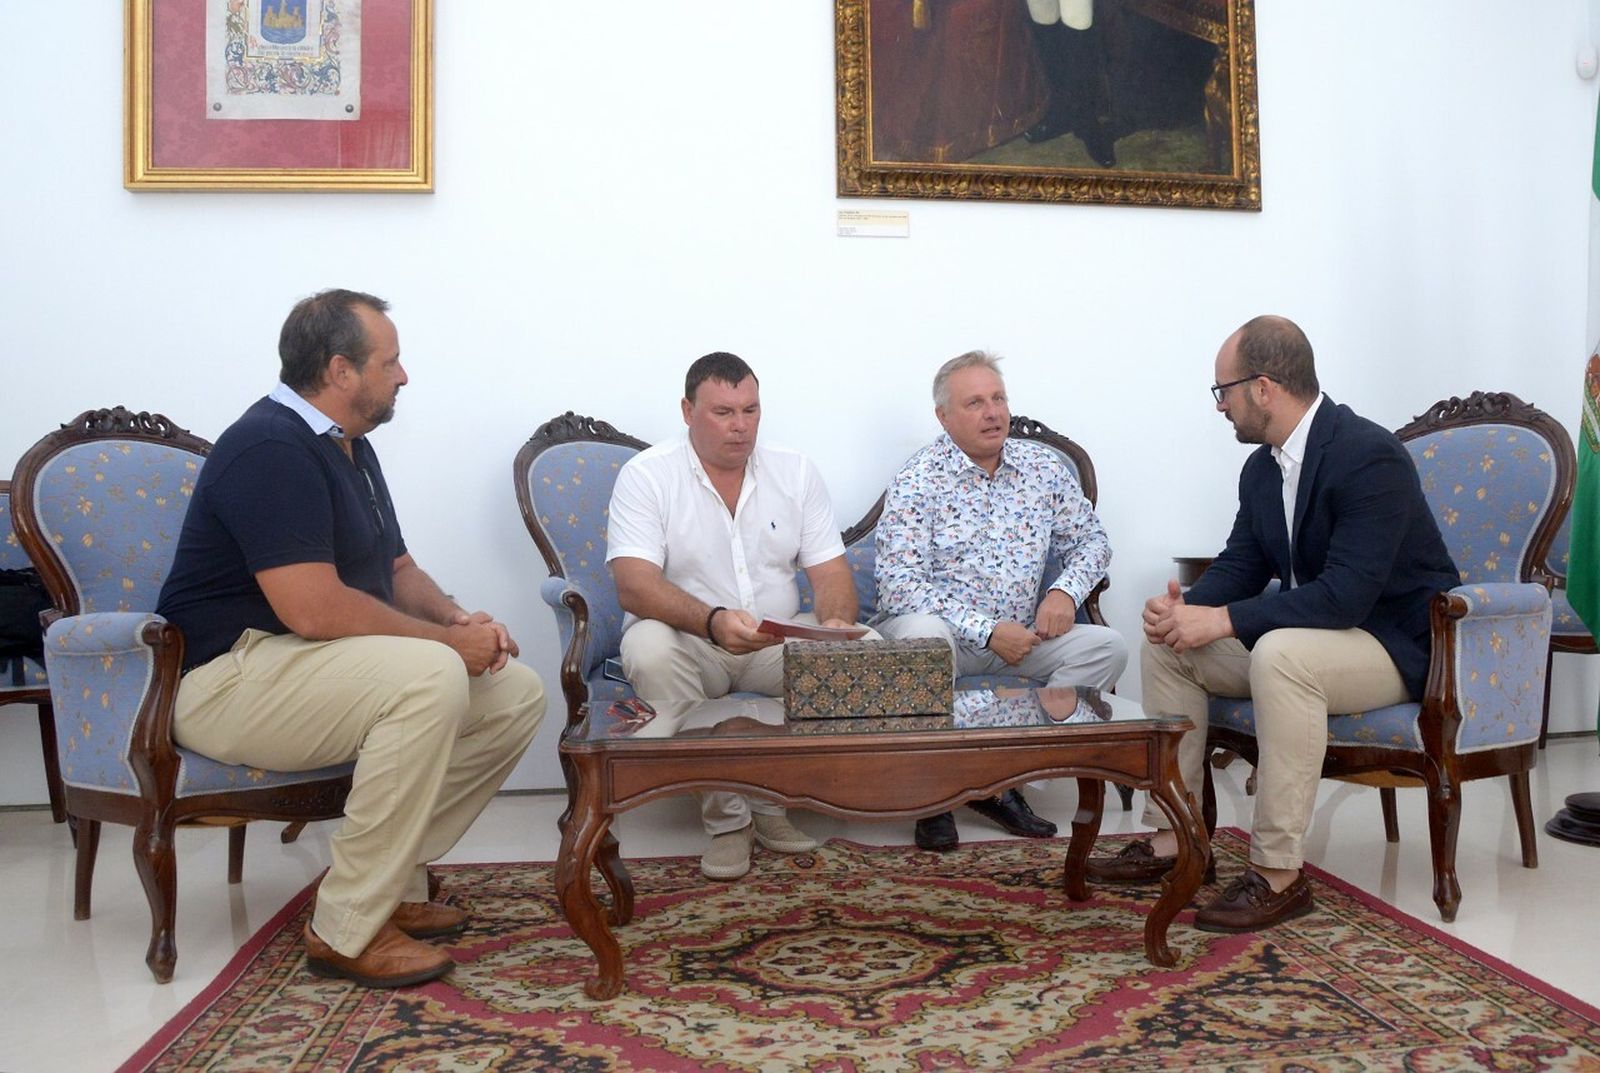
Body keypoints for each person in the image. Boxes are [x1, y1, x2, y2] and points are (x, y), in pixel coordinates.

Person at [156, 289, 546, 987]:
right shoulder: (267, 445)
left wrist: (458, 621)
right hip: (226, 677)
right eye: (390, 361)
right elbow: (312, 607)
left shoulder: (348, 446)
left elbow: (396, 568)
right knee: (430, 675)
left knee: (512, 690)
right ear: (340, 369)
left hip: (303, 666)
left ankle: (382, 884)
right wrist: (443, 650)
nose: (404, 375)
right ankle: (345, 930)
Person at [1089, 315, 1459, 933]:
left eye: (1223, 392)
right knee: (1169, 647)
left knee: (1280, 653)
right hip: (1324, 639)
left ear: (1263, 388)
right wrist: (1189, 610)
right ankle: (1176, 838)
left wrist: (1225, 620)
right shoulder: (1262, 468)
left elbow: (1345, 596)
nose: (1220, 407)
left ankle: (1279, 874)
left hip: (1393, 644)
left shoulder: (1369, 455)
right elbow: (1243, 561)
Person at [607, 352, 869, 881]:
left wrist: (836, 622)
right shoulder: (647, 475)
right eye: (723, 412)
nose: (740, 425)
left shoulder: (794, 470)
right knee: (648, 647)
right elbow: (633, 585)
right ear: (687, 410)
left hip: (773, 640)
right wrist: (712, 622)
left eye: (750, 410)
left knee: (864, 647)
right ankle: (728, 822)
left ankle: (773, 803)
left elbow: (833, 576)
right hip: (692, 640)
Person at [873, 350, 1128, 851]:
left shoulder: (1043, 470)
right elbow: (897, 584)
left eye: (998, 398)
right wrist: (987, 630)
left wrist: (1063, 590)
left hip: (1023, 637)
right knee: (923, 638)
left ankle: (1004, 781)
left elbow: (1094, 542)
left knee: (1108, 647)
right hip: (945, 635)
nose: (993, 412)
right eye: (975, 403)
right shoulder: (918, 478)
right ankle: (933, 794)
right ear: (944, 417)